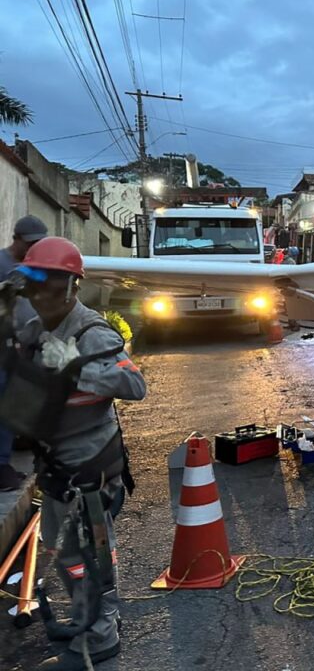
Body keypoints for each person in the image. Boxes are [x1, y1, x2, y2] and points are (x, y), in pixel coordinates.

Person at [12, 237, 146, 669]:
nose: (40, 296)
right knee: (63, 551)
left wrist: (77, 363)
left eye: (50, 286)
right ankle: (93, 622)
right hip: (55, 468)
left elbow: (134, 386)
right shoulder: (35, 329)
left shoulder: (92, 333)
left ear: (71, 287)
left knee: (86, 557)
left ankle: (100, 635)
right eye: (34, 287)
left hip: (90, 471)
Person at [0, 214, 48, 491]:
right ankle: (2, 465)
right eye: (30, 243)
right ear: (16, 238)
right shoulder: (2, 263)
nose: (33, 248)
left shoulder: (36, 266)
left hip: (26, 345)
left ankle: (15, 452)